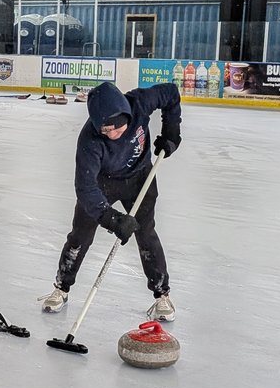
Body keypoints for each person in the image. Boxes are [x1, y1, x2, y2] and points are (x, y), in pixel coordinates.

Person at [39, 79, 182, 322]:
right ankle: (61, 288)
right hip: (103, 183)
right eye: (106, 130)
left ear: (126, 114)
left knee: (146, 234)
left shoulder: (139, 102)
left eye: (117, 128)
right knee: (80, 235)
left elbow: (170, 93)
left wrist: (171, 132)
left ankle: (161, 294)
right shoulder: (90, 141)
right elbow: (85, 187)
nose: (112, 134)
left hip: (140, 179)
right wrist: (112, 219)